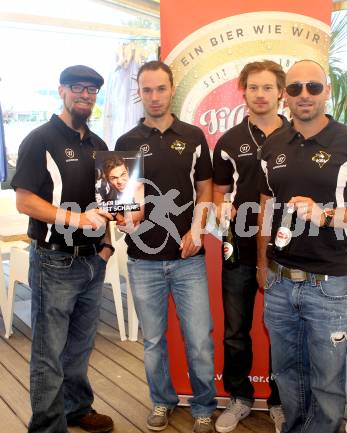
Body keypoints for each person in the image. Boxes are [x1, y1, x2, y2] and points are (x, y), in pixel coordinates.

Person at [257, 59, 347, 433]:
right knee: (286, 374)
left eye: (313, 87)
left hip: (330, 284)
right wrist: (260, 265)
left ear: (326, 91)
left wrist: (329, 216)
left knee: (327, 382)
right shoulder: (273, 145)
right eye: (296, 87)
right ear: (285, 94)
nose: (304, 95)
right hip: (279, 280)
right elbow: (266, 206)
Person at [11, 65, 115, 433]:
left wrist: (105, 245)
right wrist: (78, 221)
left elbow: (106, 201)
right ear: (62, 91)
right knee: (49, 353)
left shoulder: (99, 145)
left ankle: (77, 408)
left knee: (80, 347)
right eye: (78, 88)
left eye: (92, 91)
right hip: (55, 260)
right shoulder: (39, 139)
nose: (85, 96)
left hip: (92, 261)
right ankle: (48, 425)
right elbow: (25, 201)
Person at [114, 60, 216, 433]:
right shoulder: (125, 143)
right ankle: (161, 402)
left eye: (160, 89)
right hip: (143, 260)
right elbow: (122, 197)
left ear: (172, 90)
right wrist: (123, 220)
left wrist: (197, 229)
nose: (154, 96)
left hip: (188, 259)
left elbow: (205, 188)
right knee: (154, 340)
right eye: (146, 90)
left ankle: (204, 406)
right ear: (138, 93)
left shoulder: (193, 136)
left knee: (199, 340)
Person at [212, 60, 288, 433]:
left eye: (268, 87)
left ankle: (279, 401)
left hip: (287, 249)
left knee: (281, 329)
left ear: (281, 93)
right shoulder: (228, 142)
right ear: (243, 90)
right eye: (254, 87)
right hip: (238, 248)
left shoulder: (298, 137)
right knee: (236, 330)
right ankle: (239, 398)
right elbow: (217, 192)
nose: (261, 94)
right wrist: (219, 204)